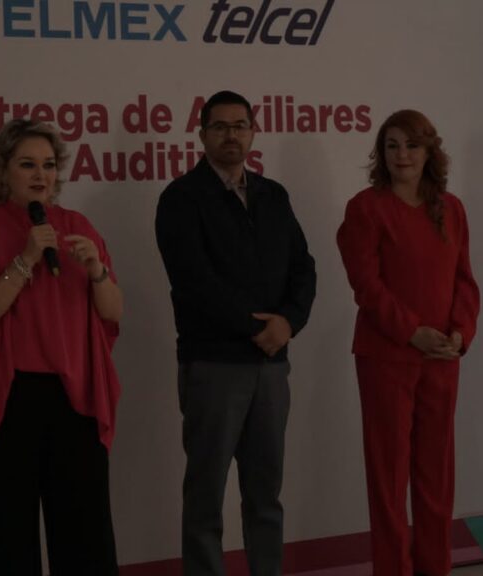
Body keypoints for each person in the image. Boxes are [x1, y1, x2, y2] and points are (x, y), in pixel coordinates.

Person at [0, 118, 123, 575]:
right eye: (27, 164)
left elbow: (113, 312)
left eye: (48, 164)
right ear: (2, 171)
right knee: (3, 542)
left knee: (85, 540)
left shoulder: (77, 226)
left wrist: (98, 271)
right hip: (6, 399)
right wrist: (25, 258)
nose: (41, 175)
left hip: (73, 399)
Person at [155, 90, 317, 576]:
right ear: (202, 134)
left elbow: (303, 268)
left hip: (271, 366)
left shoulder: (274, 195)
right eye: (220, 126)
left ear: (253, 132)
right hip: (213, 365)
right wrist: (258, 329)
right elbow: (193, 282)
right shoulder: (181, 198)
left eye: (240, 125)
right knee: (206, 495)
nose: (231, 134)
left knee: (265, 493)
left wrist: (288, 322)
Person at [336, 109, 480, 576]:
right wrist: (411, 331)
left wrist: (460, 333)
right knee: (389, 478)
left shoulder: (451, 208)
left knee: (436, 477)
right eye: (392, 145)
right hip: (387, 358)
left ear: (429, 151)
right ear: (381, 153)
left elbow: (465, 281)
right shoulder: (365, 208)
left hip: (442, 359)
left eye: (411, 145)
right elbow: (366, 285)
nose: (402, 155)